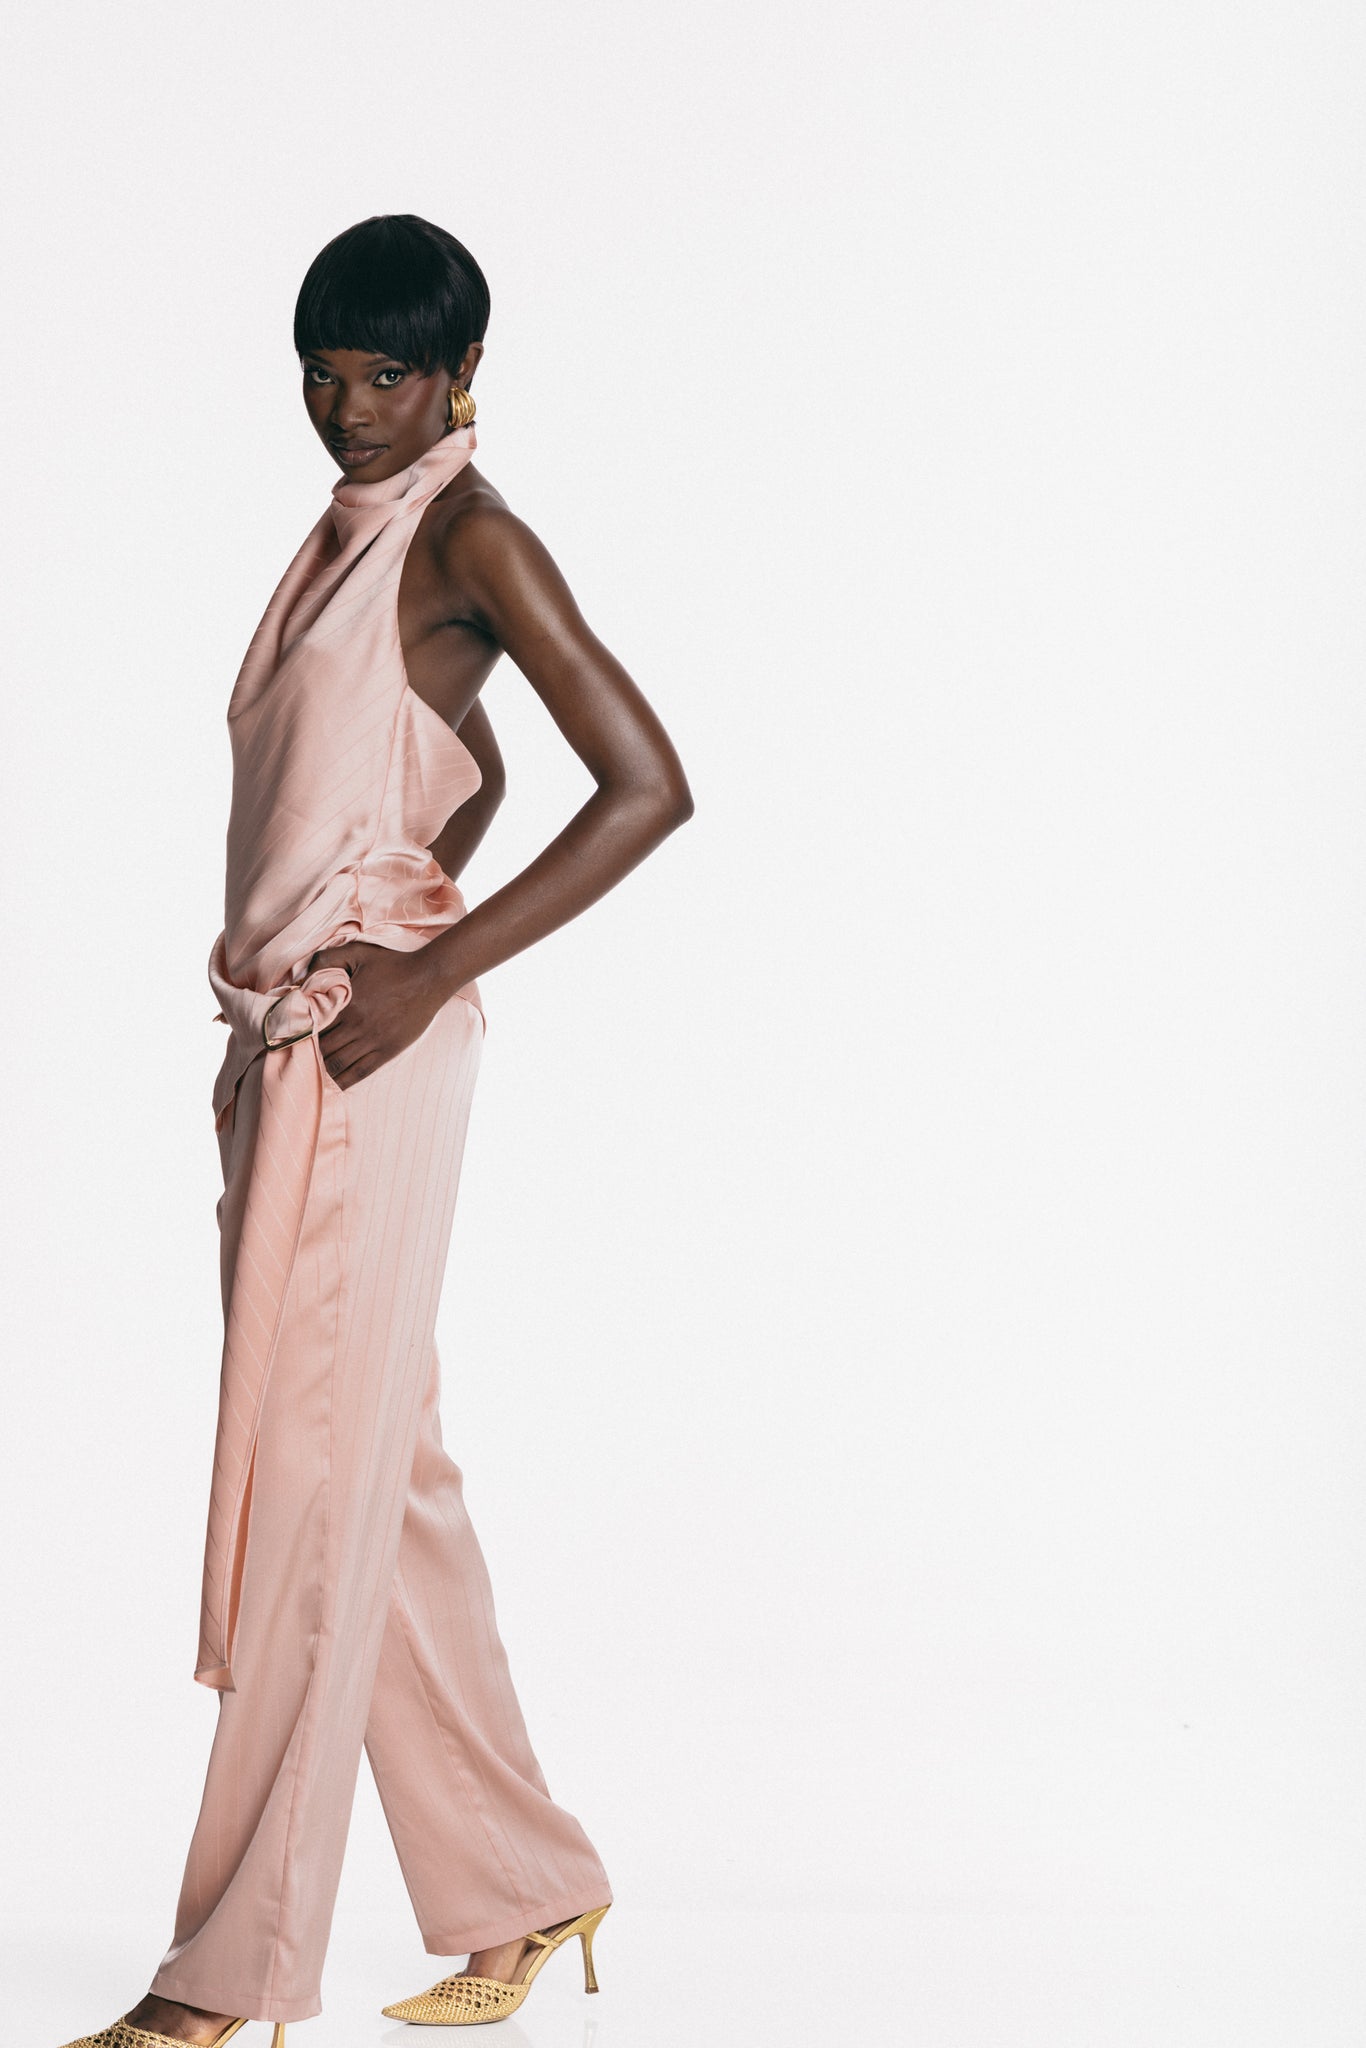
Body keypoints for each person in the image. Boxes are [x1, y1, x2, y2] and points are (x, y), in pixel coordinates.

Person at [61, 213, 693, 2048]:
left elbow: (646, 784)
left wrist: (422, 965)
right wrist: (403, 887)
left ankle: (227, 1975)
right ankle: (526, 1880)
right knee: (374, 1479)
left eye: (388, 374)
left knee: (308, 1499)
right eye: (323, 374)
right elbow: (420, 773)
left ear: (463, 374)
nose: (349, 407)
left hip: (361, 1053)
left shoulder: (470, 533)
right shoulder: (348, 530)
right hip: (297, 1041)